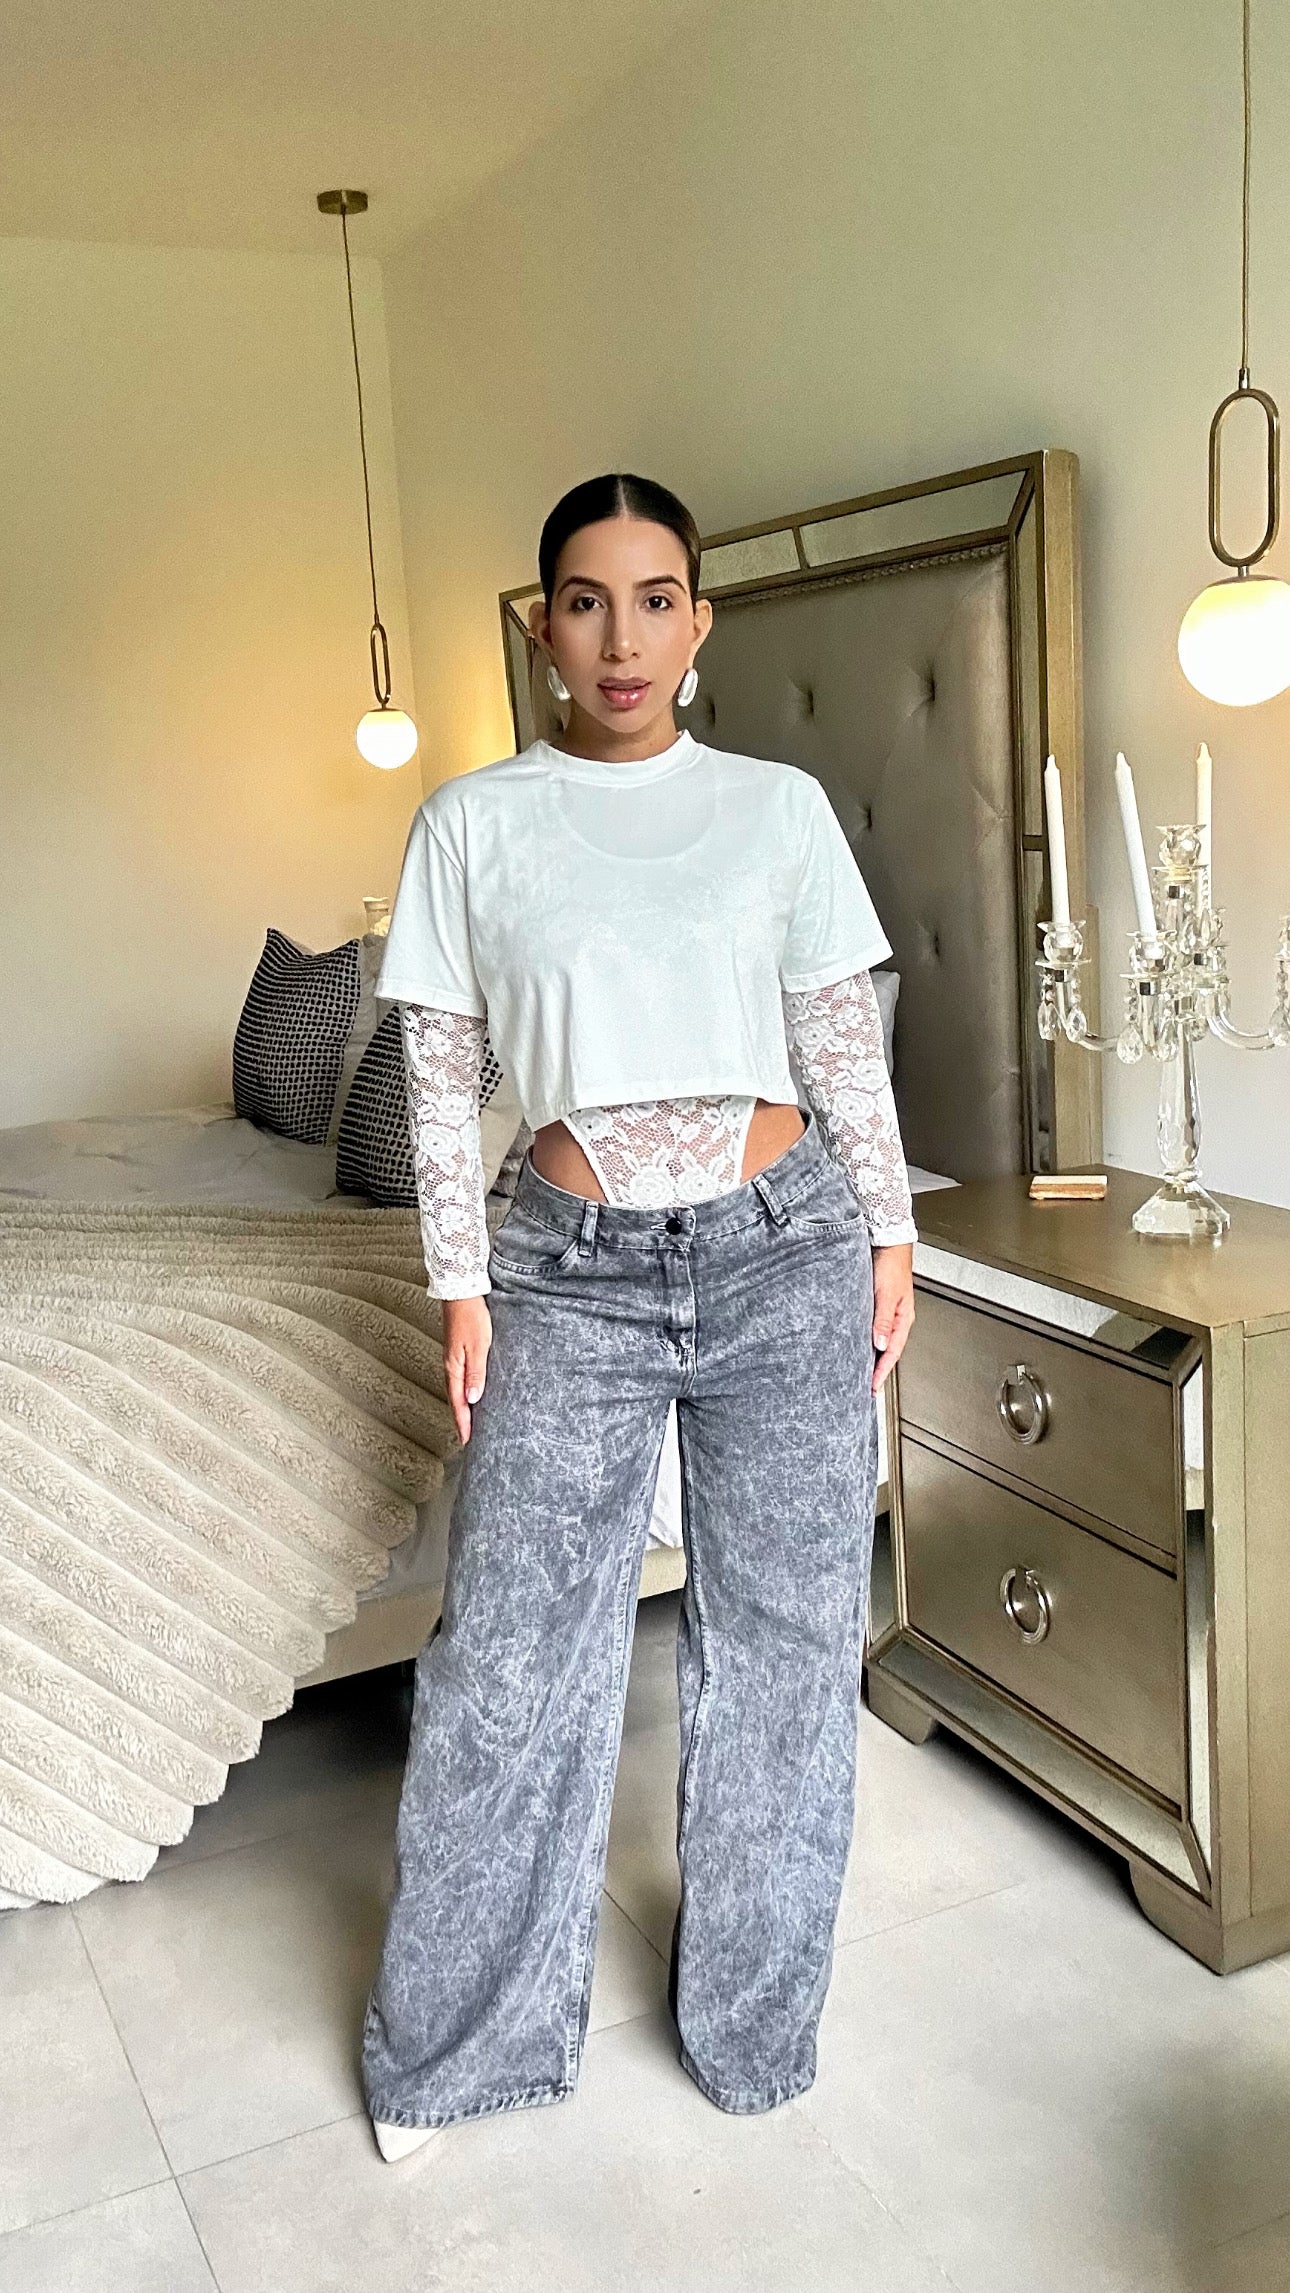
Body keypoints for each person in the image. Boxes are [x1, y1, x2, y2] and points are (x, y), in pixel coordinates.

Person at [360, 471, 916, 2161]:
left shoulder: (776, 809)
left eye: (655, 598)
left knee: (787, 1652)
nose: (622, 637)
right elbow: (439, 1071)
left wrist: (891, 1231)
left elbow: (838, 1045)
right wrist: (460, 1279)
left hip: (783, 1247)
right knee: (506, 1662)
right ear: (543, 627)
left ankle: (753, 2027)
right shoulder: (472, 823)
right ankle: (457, 2048)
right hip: (563, 1265)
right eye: (586, 601)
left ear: (698, 622)